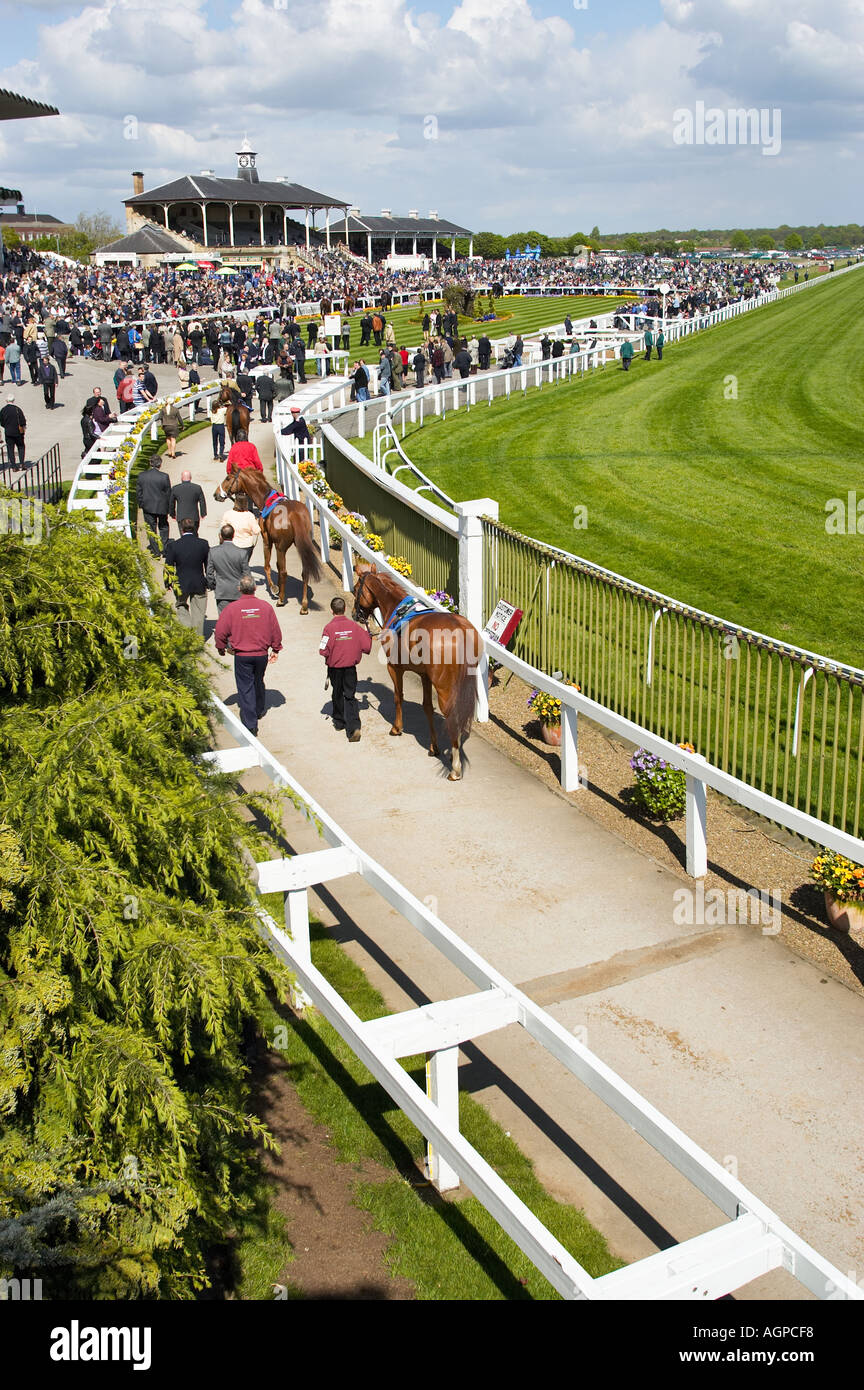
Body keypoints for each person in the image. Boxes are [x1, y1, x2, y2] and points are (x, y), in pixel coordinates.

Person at [214, 572, 282, 737]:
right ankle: (258, 709)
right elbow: (275, 630)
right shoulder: (266, 607)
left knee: (245, 687)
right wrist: (275, 648)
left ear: (239, 589)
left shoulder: (231, 609)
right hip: (261, 654)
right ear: (255, 588)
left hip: (242, 655)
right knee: (258, 680)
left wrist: (221, 647)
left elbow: (221, 632)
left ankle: (250, 724)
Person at [319, 595, 372, 741]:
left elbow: (323, 650)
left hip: (335, 668)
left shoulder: (328, 628)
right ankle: (354, 727)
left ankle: (339, 722)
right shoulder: (354, 627)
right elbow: (367, 646)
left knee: (337, 693)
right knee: (350, 696)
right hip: (350, 668)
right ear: (345, 609)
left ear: (332, 611)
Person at [163, 518, 210, 635]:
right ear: (194, 529)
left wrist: (167, 582)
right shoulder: (203, 544)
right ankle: (197, 637)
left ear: (181, 529)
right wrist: (209, 581)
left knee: (181, 605)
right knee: (199, 611)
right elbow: (208, 564)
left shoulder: (173, 546)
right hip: (199, 582)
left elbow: (168, 566)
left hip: (181, 583)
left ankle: (187, 628)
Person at [208, 523, 252, 612]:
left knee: (224, 620)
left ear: (221, 535)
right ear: (233, 535)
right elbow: (247, 575)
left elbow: (209, 573)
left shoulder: (213, 552)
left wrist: (213, 586)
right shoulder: (242, 553)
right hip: (238, 592)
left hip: (222, 591)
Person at [135, 456, 172, 556]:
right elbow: (168, 493)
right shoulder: (164, 476)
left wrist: (141, 504)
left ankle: (155, 551)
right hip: (161, 506)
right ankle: (164, 549)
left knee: (151, 529)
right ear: (160, 464)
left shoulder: (142, 476)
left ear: (150, 463)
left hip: (148, 507)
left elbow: (139, 492)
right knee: (163, 527)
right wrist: (169, 507)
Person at [221, 496, 260, 565]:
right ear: (246, 503)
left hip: (232, 544)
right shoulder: (250, 515)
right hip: (246, 546)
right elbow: (256, 531)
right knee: (243, 566)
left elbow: (223, 529)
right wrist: (256, 522)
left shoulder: (228, 514)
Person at [0, 395, 26, 468]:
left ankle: (14, 466)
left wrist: (6, 426)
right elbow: (22, 421)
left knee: (10, 449)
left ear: (6, 401)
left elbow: (2, 422)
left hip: (8, 432)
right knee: (21, 447)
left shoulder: (3, 410)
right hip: (18, 432)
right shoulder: (17, 409)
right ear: (13, 400)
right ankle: (22, 463)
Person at [209, 396, 227, 461]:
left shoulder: (211, 411)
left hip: (214, 426)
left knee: (215, 441)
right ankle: (221, 453)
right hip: (220, 426)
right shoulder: (222, 410)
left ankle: (215, 454)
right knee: (222, 441)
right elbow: (227, 408)